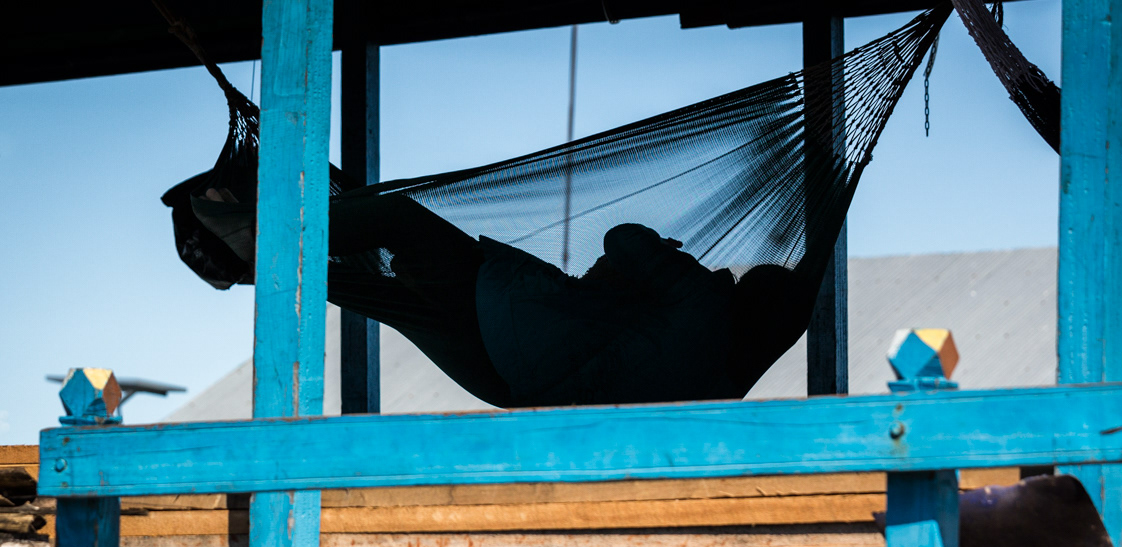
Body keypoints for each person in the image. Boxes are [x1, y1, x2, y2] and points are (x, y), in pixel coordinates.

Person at [187, 189, 823, 408]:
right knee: (371, 289)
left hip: (508, 319)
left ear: (747, 297)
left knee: (399, 222)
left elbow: (622, 238)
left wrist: (671, 257)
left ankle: (255, 238)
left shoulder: (704, 308)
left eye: (745, 279)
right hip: (507, 380)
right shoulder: (719, 382)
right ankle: (240, 264)